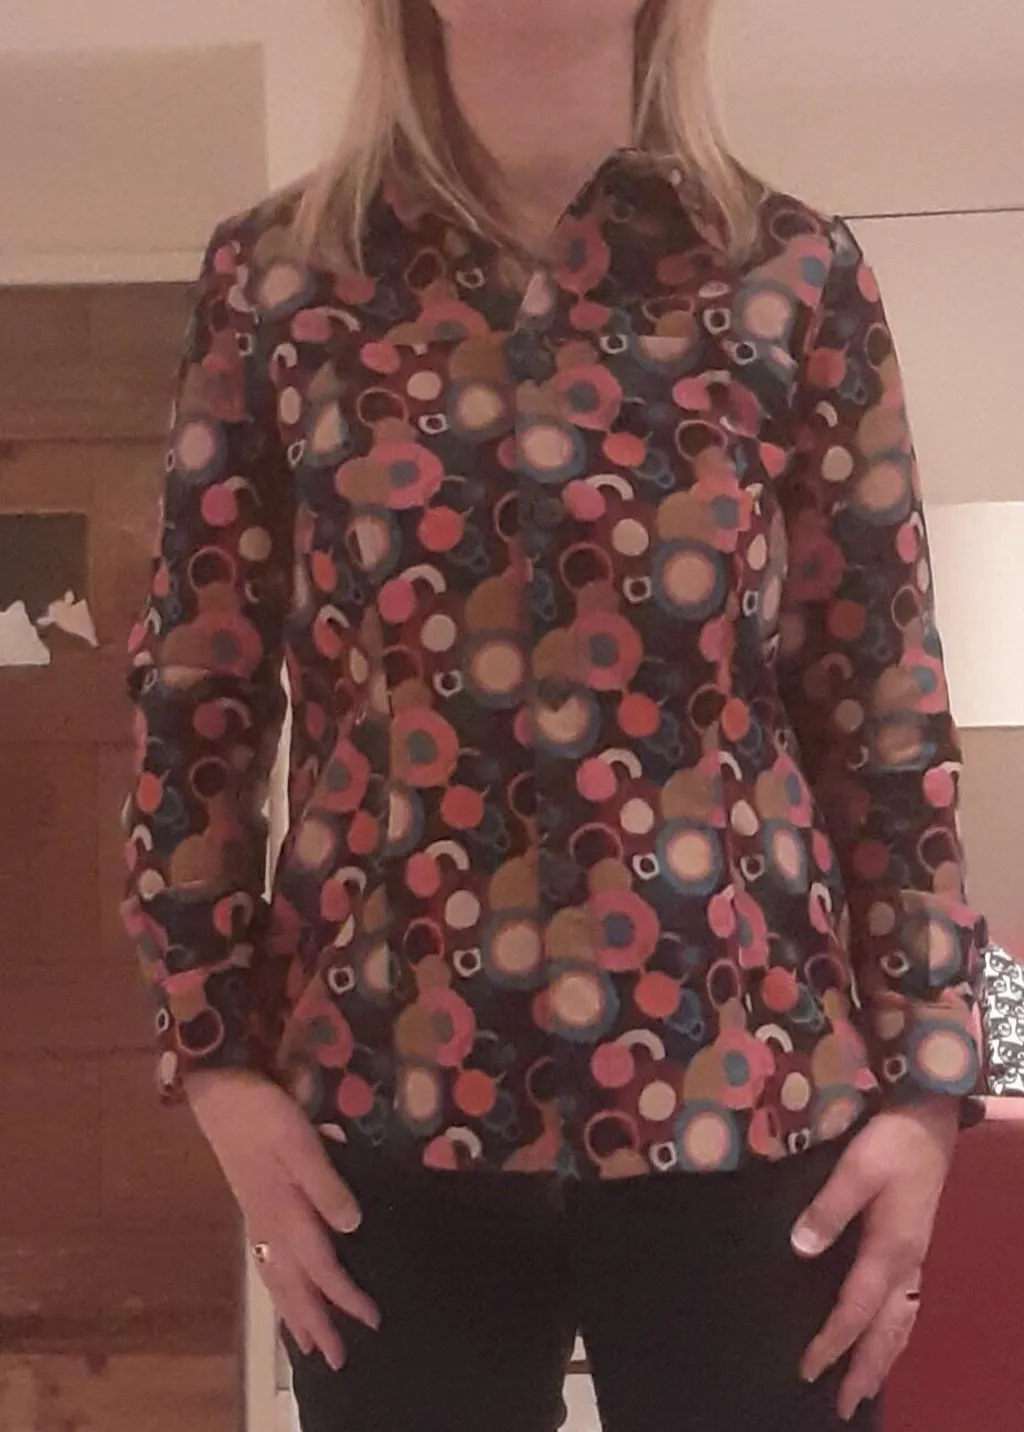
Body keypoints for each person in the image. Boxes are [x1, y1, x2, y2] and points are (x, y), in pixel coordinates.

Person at [122, 1, 988, 1428]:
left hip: (757, 1097)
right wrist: (213, 1058)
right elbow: (196, 693)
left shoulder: (796, 277)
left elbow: (881, 702)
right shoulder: (274, 284)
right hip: (381, 1104)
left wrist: (926, 1093)